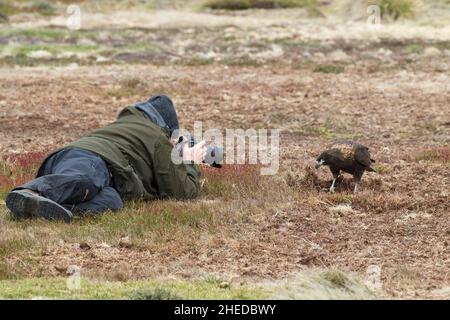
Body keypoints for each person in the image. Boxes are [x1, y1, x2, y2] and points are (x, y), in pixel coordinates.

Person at [5, 95, 207, 223]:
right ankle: (31, 191)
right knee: (85, 181)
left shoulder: (129, 126)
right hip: (92, 160)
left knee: (112, 201)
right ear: (165, 126)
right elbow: (182, 192)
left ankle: (44, 210)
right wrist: (189, 161)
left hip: (90, 168)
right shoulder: (155, 136)